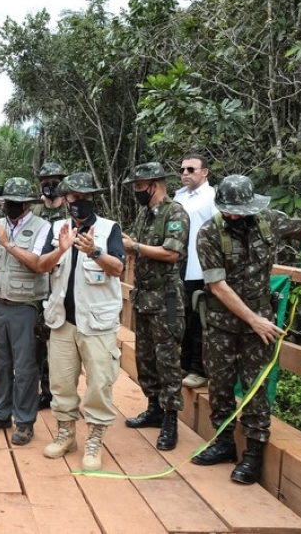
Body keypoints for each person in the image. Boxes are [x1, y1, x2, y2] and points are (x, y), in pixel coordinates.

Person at [193, 175, 301, 484]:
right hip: (222, 323)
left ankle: (253, 456)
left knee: (256, 388)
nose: (234, 216)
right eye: (229, 210)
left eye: (239, 210)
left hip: (260, 325)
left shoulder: (268, 221)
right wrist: (252, 319)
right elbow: (217, 286)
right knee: (221, 385)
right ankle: (224, 444)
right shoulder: (209, 233)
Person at [34, 172, 125, 471]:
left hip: (98, 323)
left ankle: (95, 439)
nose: (80, 203)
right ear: (66, 199)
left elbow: (118, 268)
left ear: (93, 199)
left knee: (100, 383)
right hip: (62, 321)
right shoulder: (57, 228)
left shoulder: (109, 229)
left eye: (86, 197)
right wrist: (61, 248)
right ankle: (66, 435)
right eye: (74, 197)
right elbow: (42, 266)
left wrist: (95, 252)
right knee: (61, 381)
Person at [0, 178, 51, 446]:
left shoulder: (43, 228)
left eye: (15, 202)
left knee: (27, 367)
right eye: (6, 200)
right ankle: (0, 413)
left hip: (26, 307)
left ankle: (25, 421)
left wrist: (7, 244)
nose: (10, 206)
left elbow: (39, 264)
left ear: (27, 203)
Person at [121, 162, 189, 452]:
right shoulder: (144, 214)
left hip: (168, 300)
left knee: (168, 359)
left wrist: (134, 247)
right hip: (145, 297)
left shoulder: (175, 213)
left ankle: (171, 419)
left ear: (155, 184)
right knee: (146, 357)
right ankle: (154, 408)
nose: (136, 191)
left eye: (139, 186)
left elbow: (172, 252)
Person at [173, 154, 217, 389]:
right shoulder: (179, 196)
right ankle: (185, 363)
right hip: (179, 266)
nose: (185, 173)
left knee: (200, 319)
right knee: (184, 318)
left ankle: (199, 369)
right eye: (182, 169)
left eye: (191, 169)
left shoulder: (211, 197)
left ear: (205, 172)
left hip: (201, 267)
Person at [30, 161, 70, 409]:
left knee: (62, 341)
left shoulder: (71, 212)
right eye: (45, 182)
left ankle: (60, 391)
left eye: (55, 181)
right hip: (38, 285)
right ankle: (42, 390)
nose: (50, 186)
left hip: (64, 285)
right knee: (37, 341)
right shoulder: (34, 213)